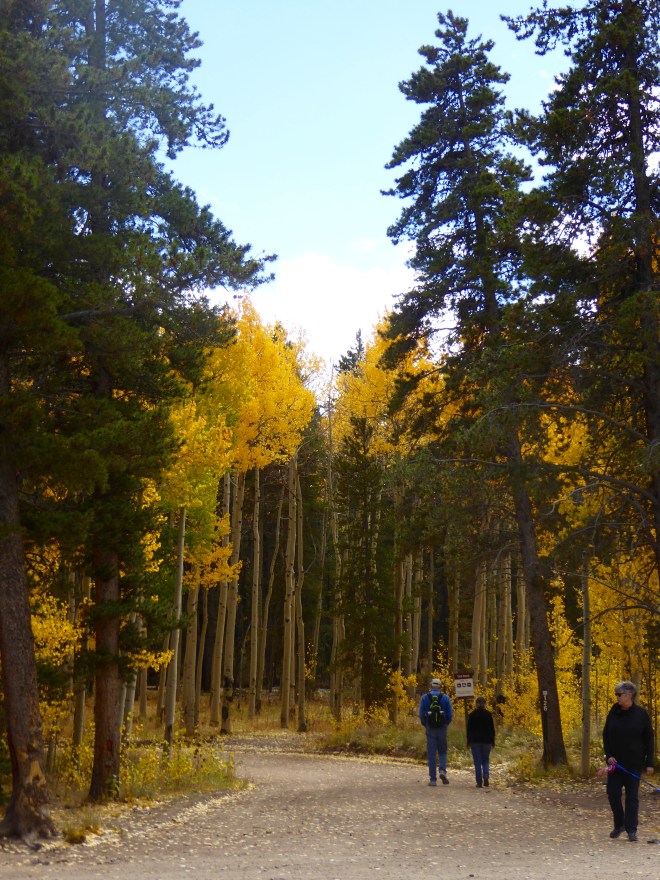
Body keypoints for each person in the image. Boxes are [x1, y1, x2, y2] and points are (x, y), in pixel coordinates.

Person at [602, 680, 655, 842]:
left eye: (619, 694)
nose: (617, 697)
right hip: (616, 764)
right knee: (613, 793)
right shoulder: (613, 711)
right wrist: (608, 755)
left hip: (634, 763)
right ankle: (619, 824)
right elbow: (606, 735)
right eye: (616, 694)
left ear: (629, 695)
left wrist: (650, 763)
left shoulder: (641, 714)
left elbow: (649, 740)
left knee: (632, 796)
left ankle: (632, 829)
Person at [418, 678, 453, 786]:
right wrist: (445, 723)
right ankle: (442, 770)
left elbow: (421, 714)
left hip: (430, 728)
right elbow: (450, 715)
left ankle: (433, 779)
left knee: (432, 754)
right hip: (442, 728)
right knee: (442, 751)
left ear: (431, 686)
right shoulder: (445, 698)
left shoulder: (424, 698)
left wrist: (425, 724)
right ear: (440, 687)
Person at [467, 695, 495, 788]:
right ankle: (486, 775)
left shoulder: (472, 715)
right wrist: (493, 740)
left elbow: (469, 730)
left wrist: (468, 741)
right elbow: (492, 728)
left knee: (477, 762)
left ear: (476, 704)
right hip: (487, 741)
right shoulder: (488, 714)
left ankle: (479, 782)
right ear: (484, 704)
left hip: (475, 741)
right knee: (485, 760)